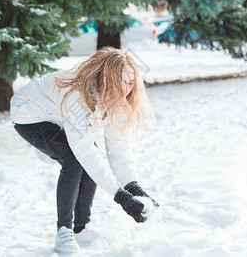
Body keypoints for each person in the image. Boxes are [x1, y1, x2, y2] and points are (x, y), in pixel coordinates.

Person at [10, 46, 159, 254]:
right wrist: (121, 196)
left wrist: (134, 188)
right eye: (121, 82)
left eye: (131, 82)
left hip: (57, 116)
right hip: (29, 113)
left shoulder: (119, 99)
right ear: (108, 79)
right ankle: (64, 231)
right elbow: (84, 152)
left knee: (87, 155)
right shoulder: (77, 96)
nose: (127, 89)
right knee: (73, 159)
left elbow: (119, 150)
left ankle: (81, 228)